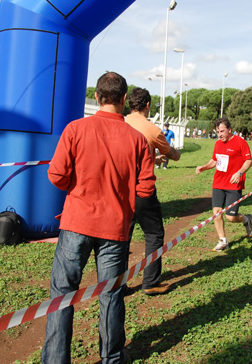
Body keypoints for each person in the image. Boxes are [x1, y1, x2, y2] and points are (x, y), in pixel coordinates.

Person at [42, 72, 155, 364]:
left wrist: (77, 188)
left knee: (62, 295)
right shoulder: (138, 140)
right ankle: (112, 357)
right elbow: (146, 187)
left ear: (97, 96)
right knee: (112, 294)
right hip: (115, 228)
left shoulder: (75, 129)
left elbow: (56, 174)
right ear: (123, 99)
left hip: (76, 223)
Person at [125, 88, 181, 295]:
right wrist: (177, 155)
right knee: (154, 234)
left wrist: (151, 158)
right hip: (143, 189)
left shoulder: (120, 123)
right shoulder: (151, 129)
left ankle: (117, 285)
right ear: (147, 105)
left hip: (120, 189)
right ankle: (150, 282)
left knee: (123, 237)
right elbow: (170, 153)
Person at [195, 117, 252, 251]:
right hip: (218, 183)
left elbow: (248, 161)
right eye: (218, 132)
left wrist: (239, 172)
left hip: (234, 184)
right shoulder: (218, 144)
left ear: (229, 130)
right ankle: (223, 241)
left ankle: (246, 220)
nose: (220, 134)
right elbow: (214, 160)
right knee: (216, 212)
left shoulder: (240, 142)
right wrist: (204, 167)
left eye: (222, 131)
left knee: (231, 217)